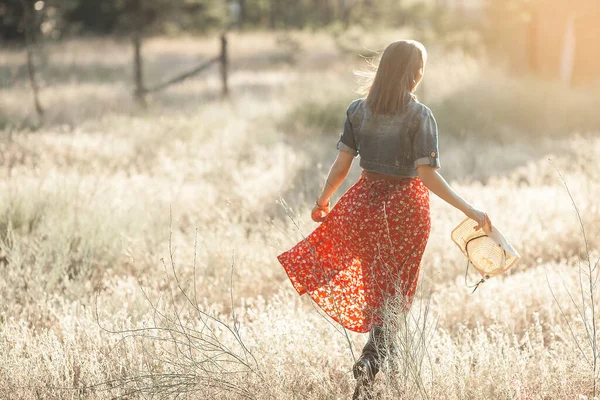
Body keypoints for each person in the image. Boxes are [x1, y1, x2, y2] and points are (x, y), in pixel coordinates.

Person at [276, 40, 492, 399]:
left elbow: (342, 164)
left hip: (362, 206)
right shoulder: (420, 115)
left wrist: (323, 200)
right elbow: (426, 175)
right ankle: (371, 362)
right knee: (395, 297)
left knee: (380, 293)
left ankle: (377, 377)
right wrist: (469, 209)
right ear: (416, 72)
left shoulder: (358, 110)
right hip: (405, 211)